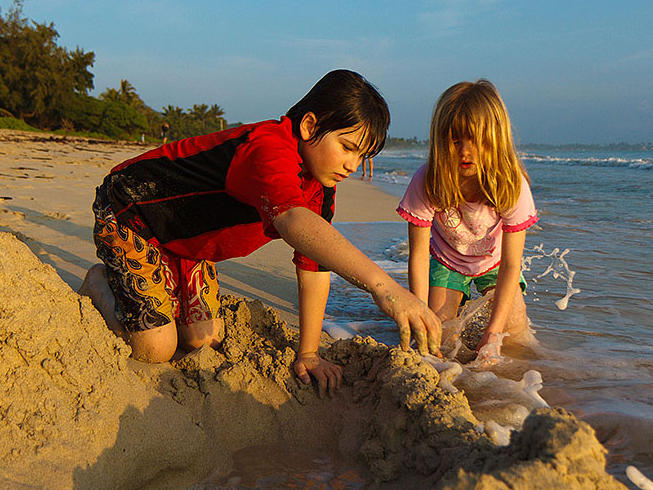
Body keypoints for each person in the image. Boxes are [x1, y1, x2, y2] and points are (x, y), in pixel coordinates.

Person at [82, 70, 441, 396]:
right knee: (156, 349)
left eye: (362, 156)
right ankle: (98, 281)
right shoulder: (269, 146)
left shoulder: (319, 185)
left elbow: (313, 263)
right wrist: (384, 286)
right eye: (347, 147)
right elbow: (292, 221)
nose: (352, 165)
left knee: (202, 340)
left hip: (189, 246)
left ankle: (171, 275)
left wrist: (310, 353)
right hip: (131, 210)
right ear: (308, 125)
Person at [396, 80, 538, 363]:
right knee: (442, 335)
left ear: (495, 138)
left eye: (476, 140)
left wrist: (494, 333)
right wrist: (421, 318)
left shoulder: (510, 184)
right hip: (448, 260)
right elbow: (419, 257)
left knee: (515, 332)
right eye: (455, 141)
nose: (464, 151)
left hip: (495, 263)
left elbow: (512, 264)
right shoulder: (428, 181)